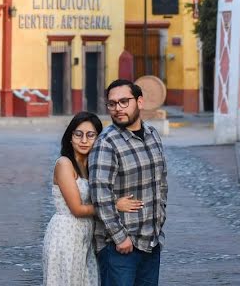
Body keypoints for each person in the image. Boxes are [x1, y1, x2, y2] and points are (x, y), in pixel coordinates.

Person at [43, 112, 143, 286]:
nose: (84, 140)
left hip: (85, 237)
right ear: (70, 138)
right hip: (65, 234)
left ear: (98, 139)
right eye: (78, 134)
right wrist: (115, 205)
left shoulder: (92, 167)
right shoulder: (64, 164)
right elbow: (77, 209)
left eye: (90, 135)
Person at [89, 80, 168, 286]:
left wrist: (159, 220)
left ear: (139, 102)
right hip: (120, 248)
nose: (118, 109)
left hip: (151, 242)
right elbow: (100, 195)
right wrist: (119, 237)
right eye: (112, 104)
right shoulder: (106, 143)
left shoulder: (152, 135)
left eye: (124, 101)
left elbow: (161, 181)